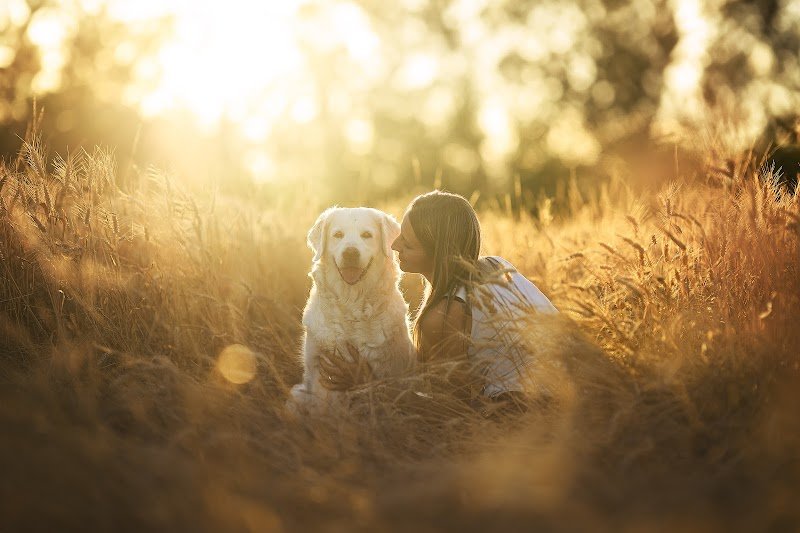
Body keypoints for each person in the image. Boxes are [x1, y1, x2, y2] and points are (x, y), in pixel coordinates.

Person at [390, 190, 558, 413]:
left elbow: (448, 408)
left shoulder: (445, 313)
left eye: (408, 244)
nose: (394, 245)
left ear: (437, 253)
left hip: (532, 415)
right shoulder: (496, 266)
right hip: (583, 391)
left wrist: (367, 383)